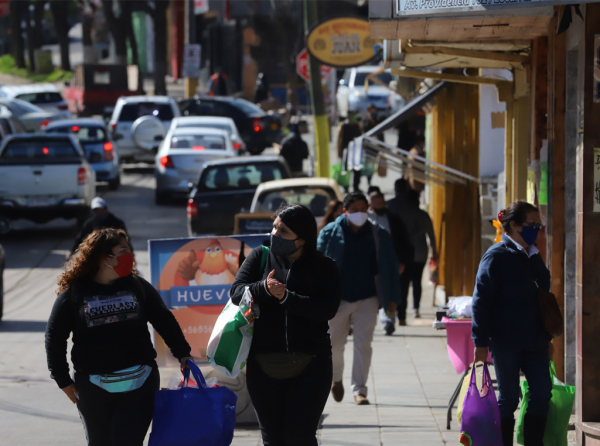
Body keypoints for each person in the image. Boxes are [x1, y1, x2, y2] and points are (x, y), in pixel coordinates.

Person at [45, 228, 193, 446]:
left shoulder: (138, 286)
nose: (130, 255)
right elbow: (54, 338)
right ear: (105, 258)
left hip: (140, 382)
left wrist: (183, 354)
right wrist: (62, 379)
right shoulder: (75, 293)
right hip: (93, 387)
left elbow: (165, 321)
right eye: (123, 250)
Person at [230, 205, 342, 446]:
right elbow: (236, 293)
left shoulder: (324, 266)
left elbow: (326, 309)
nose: (274, 234)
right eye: (274, 227)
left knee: (300, 437)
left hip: (310, 364)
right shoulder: (260, 256)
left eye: (283, 231)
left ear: (302, 239)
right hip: (263, 365)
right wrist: (264, 289)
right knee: (273, 439)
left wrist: (286, 298)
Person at [472, 201, 553, 446]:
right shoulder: (495, 256)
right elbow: (481, 301)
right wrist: (481, 342)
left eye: (539, 224)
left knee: (542, 393)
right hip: (505, 340)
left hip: (536, 340)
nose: (537, 229)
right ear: (515, 225)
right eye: (532, 224)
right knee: (507, 399)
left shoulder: (533, 253)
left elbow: (545, 287)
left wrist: (547, 338)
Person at [318, 192, 401, 405]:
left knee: (364, 344)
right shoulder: (329, 233)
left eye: (364, 209)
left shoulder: (379, 234)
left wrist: (392, 298)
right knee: (334, 345)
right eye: (354, 210)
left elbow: (390, 267)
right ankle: (336, 379)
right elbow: (316, 266)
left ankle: (359, 390)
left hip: (368, 298)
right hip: (337, 300)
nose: (360, 214)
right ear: (344, 211)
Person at [368, 191, 413, 334]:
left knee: (387, 291)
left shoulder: (393, 219)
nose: (382, 206)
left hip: (388, 262)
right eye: (378, 204)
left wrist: (402, 262)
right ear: (371, 204)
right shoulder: (365, 220)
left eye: (383, 203)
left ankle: (388, 321)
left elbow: (405, 242)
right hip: (369, 263)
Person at [396, 189, 437, 322]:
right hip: (421, 251)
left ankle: (402, 310)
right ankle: (416, 308)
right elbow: (431, 235)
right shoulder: (423, 215)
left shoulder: (403, 214)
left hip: (405, 251)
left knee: (404, 282)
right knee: (417, 280)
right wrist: (434, 251)